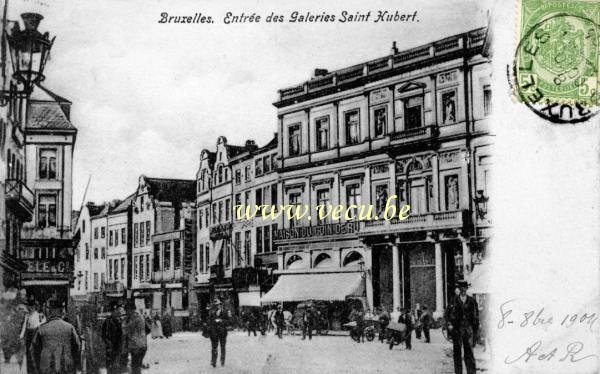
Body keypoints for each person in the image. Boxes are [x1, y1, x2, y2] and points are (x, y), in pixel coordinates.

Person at [30, 300, 81, 374]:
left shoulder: (41, 329)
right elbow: (77, 346)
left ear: (49, 312)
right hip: (66, 367)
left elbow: (33, 349)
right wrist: (75, 365)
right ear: (61, 312)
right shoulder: (70, 327)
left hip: (46, 368)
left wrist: (37, 367)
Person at [446, 280, 479, 374]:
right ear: (458, 289)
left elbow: (476, 319)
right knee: (457, 354)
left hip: (468, 331)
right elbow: (447, 315)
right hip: (457, 331)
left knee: (469, 354)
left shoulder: (472, 301)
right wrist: (450, 325)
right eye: (461, 288)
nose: (462, 290)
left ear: (466, 289)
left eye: (464, 288)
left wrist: (475, 333)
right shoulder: (453, 301)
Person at [125, 302, 151, 374]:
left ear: (130, 309)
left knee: (135, 368)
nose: (126, 312)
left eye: (126, 310)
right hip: (142, 345)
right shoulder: (141, 316)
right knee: (137, 367)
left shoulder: (134, 317)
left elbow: (127, 329)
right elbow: (148, 329)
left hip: (136, 346)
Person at [20, 301, 42, 373]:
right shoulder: (27, 315)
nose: (29, 308)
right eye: (28, 307)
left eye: (31, 306)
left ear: (34, 307)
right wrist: (22, 335)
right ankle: (29, 371)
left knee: (35, 354)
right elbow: (24, 326)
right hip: (29, 336)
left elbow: (41, 326)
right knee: (28, 354)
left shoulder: (39, 315)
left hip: (36, 334)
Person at [102, 305, 124, 374]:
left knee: (116, 367)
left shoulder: (119, 322)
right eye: (115, 311)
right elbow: (103, 335)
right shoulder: (107, 322)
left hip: (117, 348)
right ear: (112, 312)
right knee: (111, 367)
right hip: (110, 348)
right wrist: (108, 343)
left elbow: (121, 335)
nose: (117, 312)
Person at [207, 299, 229, 367]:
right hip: (214, 333)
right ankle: (213, 361)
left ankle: (222, 361)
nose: (217, 306)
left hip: (222, 332)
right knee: (214, 347)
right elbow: (209, 321)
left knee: (222, 347)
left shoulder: (225, 312)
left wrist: (221, 321)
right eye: (216, 305)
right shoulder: (212, 313)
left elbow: (229, 321)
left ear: (220, 305)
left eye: (218, 305)